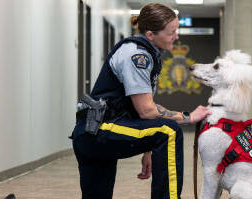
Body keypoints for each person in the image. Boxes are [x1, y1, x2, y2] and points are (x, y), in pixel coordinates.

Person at [70, 3, 211, 199]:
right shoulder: (137, 55)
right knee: (168, 130)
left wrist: (148, 150)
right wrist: (188, 117)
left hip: (91, 133)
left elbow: (142, 109)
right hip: (100, 131)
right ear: (151, 34)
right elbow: (147, 111)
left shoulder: (146, 53)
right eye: (172, 32)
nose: (176, 36)